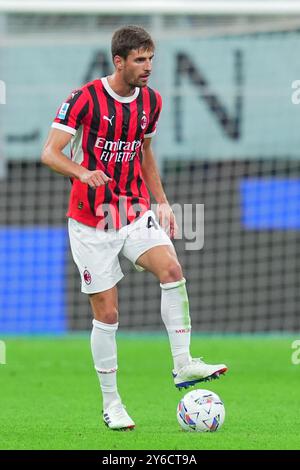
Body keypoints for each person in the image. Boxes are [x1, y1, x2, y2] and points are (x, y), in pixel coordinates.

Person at [41, 25, 228, 431]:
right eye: (139, 60)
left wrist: (163, 203)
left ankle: (183, 364)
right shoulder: (83, 99)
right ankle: (112, 403)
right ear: (119, 61)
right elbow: (50, 153)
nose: (147, 67)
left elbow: (144, 154)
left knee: (172, 270)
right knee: (108, 315)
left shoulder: (152, 102)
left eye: (151, 58)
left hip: (133, 210)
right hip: (91, 223)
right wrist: (83, 172)